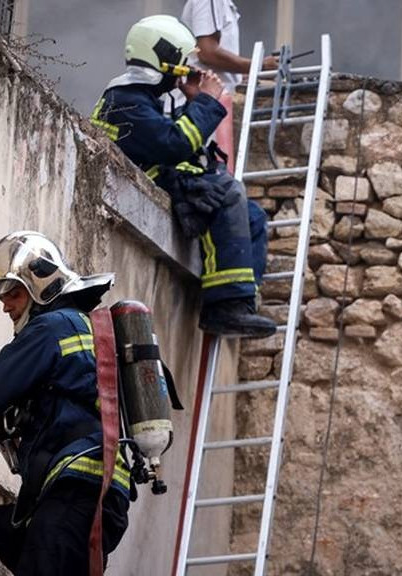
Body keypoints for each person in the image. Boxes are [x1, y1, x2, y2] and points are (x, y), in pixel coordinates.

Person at [0, 231, 130, 576]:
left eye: (13, 293)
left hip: (75, 488)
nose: (6, 306)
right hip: (106, 497)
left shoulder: (54, 326)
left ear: (40, 287)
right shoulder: (94, 334)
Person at [90, 15, 275, 338]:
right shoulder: (124, 100)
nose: (187, 68)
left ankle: (241, 302)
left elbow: (179, 141)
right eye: (182, 61)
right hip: (149, 181)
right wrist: (204, 101)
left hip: (165, 177)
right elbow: (174, 145)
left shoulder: (145, 98)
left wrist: (192, 100)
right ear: (165, 59)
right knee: (228, 192)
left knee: (253, 216)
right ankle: (225, 307)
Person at [180, 0, 278, 92]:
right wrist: (259, 66)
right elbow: (207, 53)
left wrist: (244, 76)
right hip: (199, 103)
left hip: (206, 102)